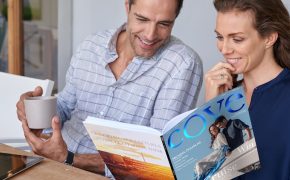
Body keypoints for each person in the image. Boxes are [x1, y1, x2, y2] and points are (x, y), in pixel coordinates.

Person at [16, 0, 203, 178]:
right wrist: (35, 109)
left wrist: (69, 158)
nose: (150, 35)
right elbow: (65, 106)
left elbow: (155, 160)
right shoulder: (91, 45)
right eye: (142, 19)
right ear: (127, 7)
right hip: (51, 164)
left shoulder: (182, 65)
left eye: (164, 24)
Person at [205, 0, 290, 179]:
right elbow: (206, 173)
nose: (224, 49)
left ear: (269, 38)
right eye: (220, 37)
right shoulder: (223, 94)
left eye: (237, 39)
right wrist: (209, 110)